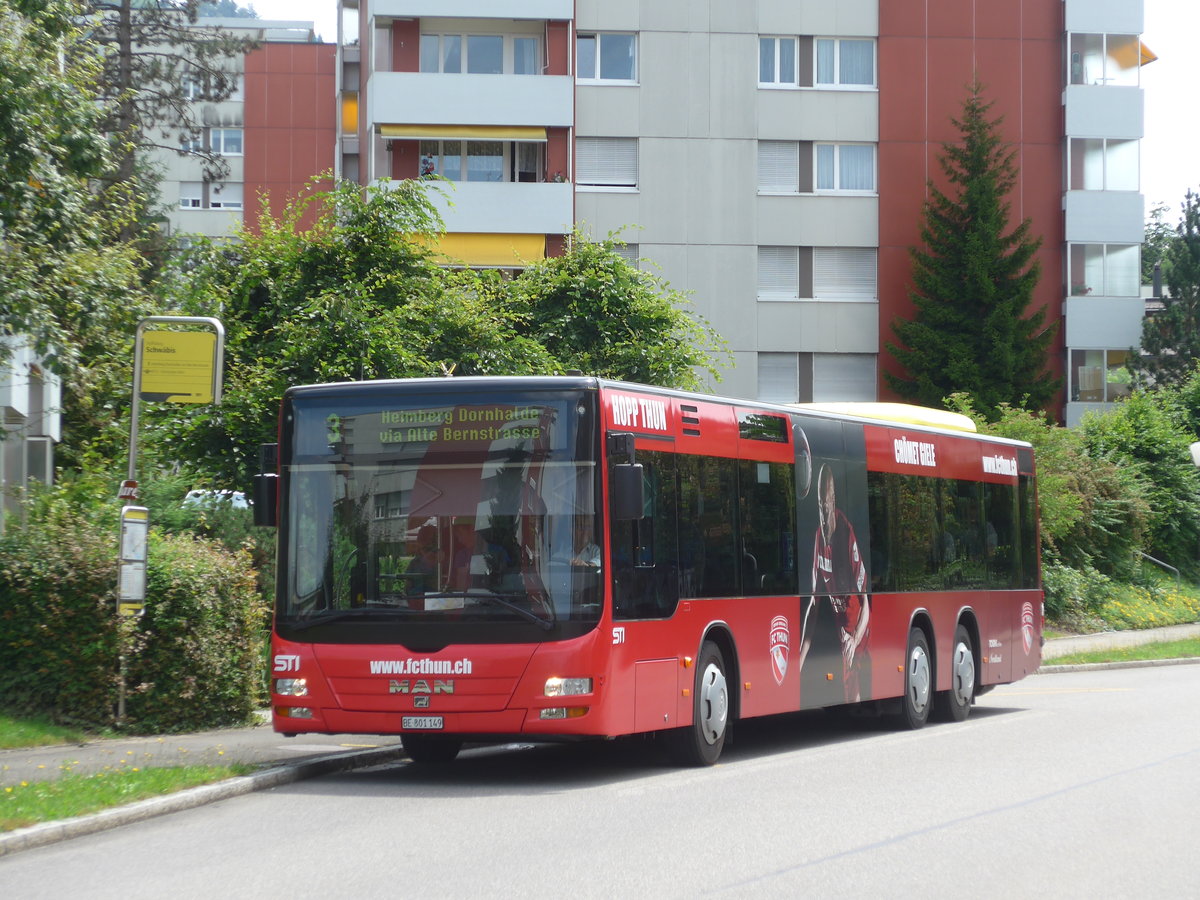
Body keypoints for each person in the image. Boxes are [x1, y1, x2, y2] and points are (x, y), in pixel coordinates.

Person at [800, 463, 870, 703]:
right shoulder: (819, 538)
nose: (823, 511)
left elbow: (866, 602)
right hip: (842, 633)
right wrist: (799, 658)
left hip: (858, 632)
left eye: (826, 504)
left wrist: (855, 638)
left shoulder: (846, 533)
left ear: (833, 499)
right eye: (819, 505)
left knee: (855, 691)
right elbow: (813, 604)